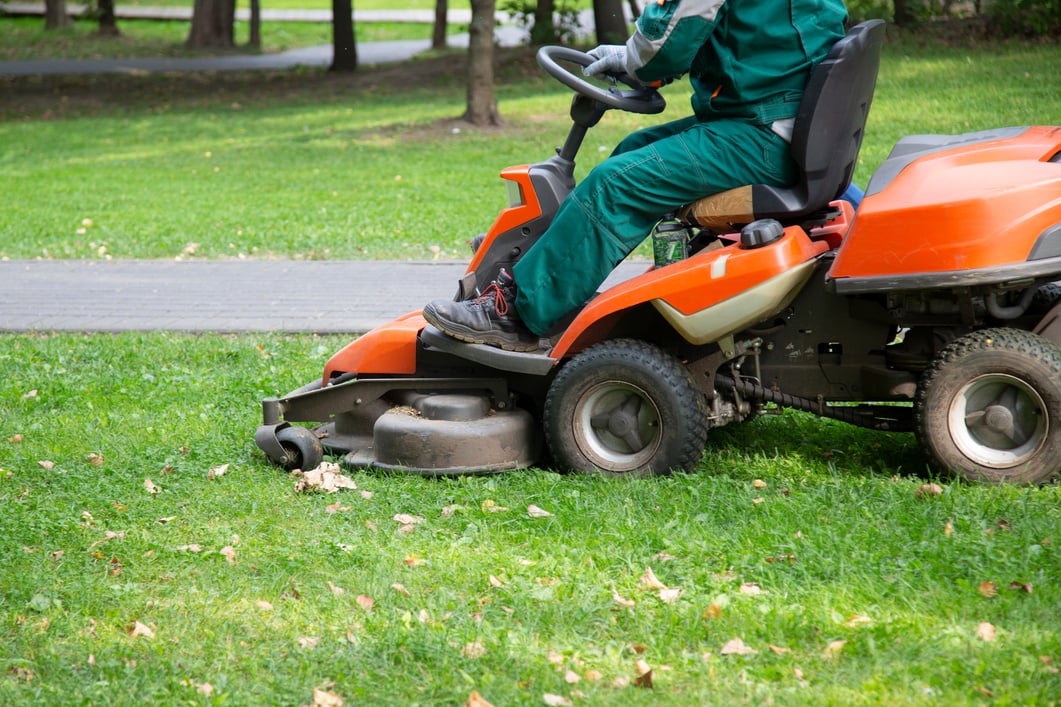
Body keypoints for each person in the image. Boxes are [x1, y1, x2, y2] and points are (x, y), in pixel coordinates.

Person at [424, 0, 849, 352]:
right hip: (781, 121)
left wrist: (633, 58)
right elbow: (729, 34)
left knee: (616, 183)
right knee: (632, 152)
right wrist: (635, 60)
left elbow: (675, 31)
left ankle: (514, 314)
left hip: (764, 133)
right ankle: (552, 287)